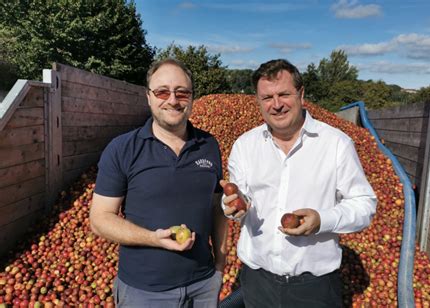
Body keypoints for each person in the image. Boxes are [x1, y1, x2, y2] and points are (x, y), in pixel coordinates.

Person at [220, 59, 377, 308]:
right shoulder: (244, 145)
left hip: (314, 289)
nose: (277, 104)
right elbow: (240, 198)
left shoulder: (335, 144)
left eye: (284, 94)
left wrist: (322, 220)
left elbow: (364, 205)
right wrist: (232, 205)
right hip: (258, 283)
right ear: (258, 102)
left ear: (301, 94)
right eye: (267, 97)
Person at [90, 58, 227, 308]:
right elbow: (100, 220)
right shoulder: (122, 148)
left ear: (192, 98)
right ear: (149, 97)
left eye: (182, 93)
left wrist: (220, 263)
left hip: (203, 285)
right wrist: (154, 238)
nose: (173, 100)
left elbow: (218, 207)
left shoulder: (209, 145)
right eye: (162, 91)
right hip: (144, 292)